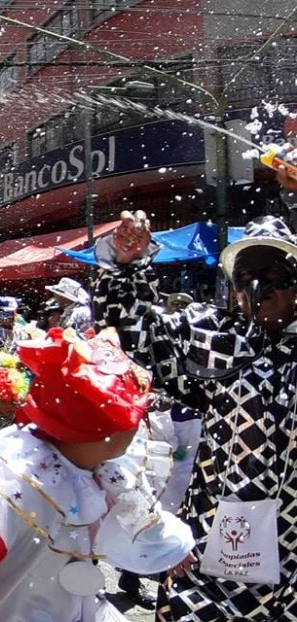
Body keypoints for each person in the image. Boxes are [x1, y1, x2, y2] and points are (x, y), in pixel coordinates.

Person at [0, 329, 195, 621]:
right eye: (136, 415)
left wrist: (171, 547)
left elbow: (131, 511)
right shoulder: (12, 481)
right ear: (98, 429)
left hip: (68, 604)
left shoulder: (100, 465)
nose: (141, 425)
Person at [95, 211, 297, 620]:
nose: (257, 287)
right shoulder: (218, 337)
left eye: (273, 273)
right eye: (245, 277)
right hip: (213, 549)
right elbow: (129, 336)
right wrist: (128, 266)